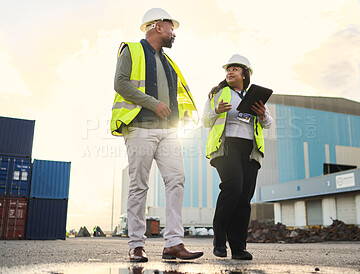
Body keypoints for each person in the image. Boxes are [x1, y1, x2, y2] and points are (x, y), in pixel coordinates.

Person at [110, 8, 203, 262]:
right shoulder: (131, 50)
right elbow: (120, 83)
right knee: (139, 185)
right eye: (171, 27)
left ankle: (173, 243)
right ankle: (136, 244)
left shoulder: (170, 63)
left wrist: (180, 115)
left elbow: (175, 97)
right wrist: (153, 103)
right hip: (140, 127)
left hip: (169, 131)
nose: (174, 33)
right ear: (157, 27)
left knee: (177, 180)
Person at [202, 54, 273, 260]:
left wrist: (262, 115)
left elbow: (268, 124)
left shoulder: (255, 96)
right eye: (228, 69)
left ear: (245, 74)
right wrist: (216, 110)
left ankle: (239, 248)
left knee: (244, 198)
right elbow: (206, 121)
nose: (230, 72)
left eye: (235, 69)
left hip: (250, 150)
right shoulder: (217, 93)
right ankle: (219, 240)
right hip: (226, 147)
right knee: (233, 187)